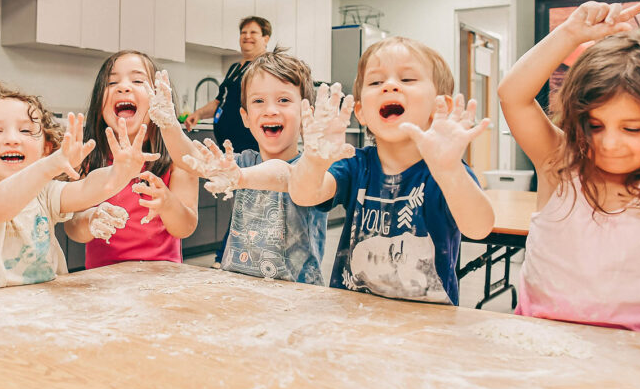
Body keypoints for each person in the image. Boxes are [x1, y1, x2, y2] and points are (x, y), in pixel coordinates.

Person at [498, 1, 640, 333]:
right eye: (594, 126)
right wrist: (570, 33)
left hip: (625, 352)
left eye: (632, 129)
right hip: (535, 342)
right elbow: (513, 95)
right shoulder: (559, 164)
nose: (609, 144)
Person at [288, 37, 493, 305]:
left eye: (407, 79)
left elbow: (480, 228)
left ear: (439, 106)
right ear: (360, 112)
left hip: (428, 328)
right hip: (353, 319)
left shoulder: (444, 172)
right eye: (375, 82)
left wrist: (451, 171)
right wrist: (313, 160)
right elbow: (304, 195)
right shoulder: (356, 165)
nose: (390, 86)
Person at [0, 81, 157, 295]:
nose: (12, 139)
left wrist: (118, 173)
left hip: (46, 306)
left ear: (46, 149)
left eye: (26, 130)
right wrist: (48, 167)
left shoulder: (45, 193)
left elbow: (86, 190)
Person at [149, 47, 327, 285]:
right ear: (245, 117)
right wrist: (169, 123)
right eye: (259, 101)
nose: (270, 110)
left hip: (297, 295)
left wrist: (241, 176)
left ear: (306, 114)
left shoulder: (311, 169)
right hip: (238, 287)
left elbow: (286, 176)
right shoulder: (242, 162)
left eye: (283, 100)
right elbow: (189, 159)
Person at [64, 51, 199, 267]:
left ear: (160, 100)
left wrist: (167, 204)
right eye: (111, 82)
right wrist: (90, 220)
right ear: (99, 105)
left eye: (138, 80)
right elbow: (71, 226)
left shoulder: (178, 158)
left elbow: (186, 227)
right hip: (104, 280)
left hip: (163, 279)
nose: (123, 87)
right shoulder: (87, 157)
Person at [184, 16, 272, 152]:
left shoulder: (266, 67)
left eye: (253, 32)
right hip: (229, 148)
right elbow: (220, 101)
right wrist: (199, 114)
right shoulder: (235, 68)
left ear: (266, 38)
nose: (247, 36)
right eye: (243, 32)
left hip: (251, 147)